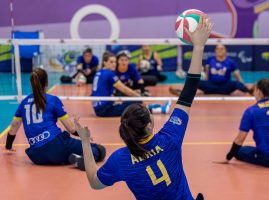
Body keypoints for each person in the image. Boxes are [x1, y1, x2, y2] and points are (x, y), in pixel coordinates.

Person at [73, 18, 212, 200]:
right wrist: (199, 46)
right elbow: (188, 92)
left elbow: (94, 181)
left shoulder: (120, 160)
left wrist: (85, 141)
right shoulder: (169, 139)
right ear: (148, 126)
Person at [5, 68, 106, 170]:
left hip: (36, 156)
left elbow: (13, 127)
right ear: (47, 82)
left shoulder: (24, 102)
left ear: (32, 84)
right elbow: (71, 128)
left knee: (64, 152)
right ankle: (83, 161)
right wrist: (84, 136)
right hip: (57, 147)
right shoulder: (52, 100)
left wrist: (8, 146)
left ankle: (76, 158)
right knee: (99, 149)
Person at [217, 79, 269, 167]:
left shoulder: (251, 111)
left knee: (239, 151)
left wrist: (228, 157)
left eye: (254, 89)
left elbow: (240, 139)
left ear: (259, 91)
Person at [92, 52, 170, 117]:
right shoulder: (109, 74)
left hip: (99, 106)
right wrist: (139, 97)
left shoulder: (99, 72)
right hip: (104, 109)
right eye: (111, 62)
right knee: (135, 104)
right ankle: (158, 109)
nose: (114, 64)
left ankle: (150, 106)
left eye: (115, 62)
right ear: (104, 62)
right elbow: (125, 90)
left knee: (127, 102)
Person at [169, 44, 252, 96]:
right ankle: (182, 93)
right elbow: (207, 74)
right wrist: (204, 83)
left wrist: (242, 85)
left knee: (235, 83)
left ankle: (250, 91)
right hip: (211, 85)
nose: (219, 50)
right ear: (215, 50)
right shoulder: (210, 60)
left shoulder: (231, 62)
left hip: (225, 87)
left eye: (221, 48)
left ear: (225, 50)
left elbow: (237, 76)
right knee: (195, 81)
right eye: (217, 49)